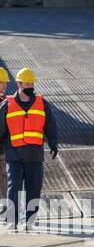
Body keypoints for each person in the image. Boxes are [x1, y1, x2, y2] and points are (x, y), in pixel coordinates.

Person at [2, 68, 59, 228]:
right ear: (19, 84)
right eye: (27, 83)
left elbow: (50, 125)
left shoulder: (42, 103)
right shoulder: (8, 105)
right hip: (14, 155)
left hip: (34, 155)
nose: (30, 86)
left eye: (32, 83)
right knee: (14, 187)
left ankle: (30, 220)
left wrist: (53, 142)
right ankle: (11, 220)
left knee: (34, 189)